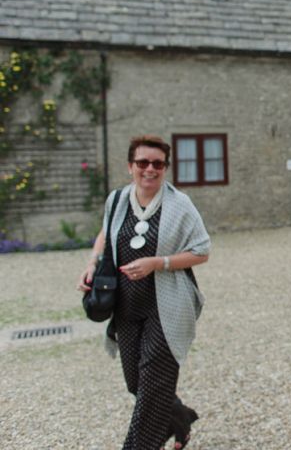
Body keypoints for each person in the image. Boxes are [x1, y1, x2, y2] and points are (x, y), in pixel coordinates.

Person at [77, 135, 210, 450]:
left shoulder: (180, 205)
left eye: (157, 164)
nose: (149, 169)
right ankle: (180, 419)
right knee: (138, 383)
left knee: (153, 387)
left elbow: (202, 251)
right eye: (142, 163)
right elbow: (105, 232)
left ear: (165, 168)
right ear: (130, 166)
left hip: (167, 307)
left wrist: (158, 263)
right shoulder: (117, 200)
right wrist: (91, 264)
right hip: (126, 305)